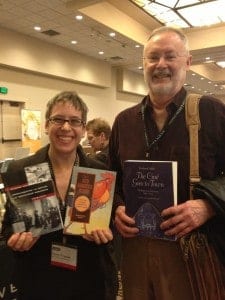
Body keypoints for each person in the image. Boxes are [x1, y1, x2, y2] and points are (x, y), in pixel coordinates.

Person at [109, 26, 225, 300]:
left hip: (191, 251)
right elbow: (111, 178)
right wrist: (116, 208)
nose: (160, 65)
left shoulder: (210, 111)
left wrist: (207, 206)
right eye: (153, 57)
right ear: (144, 64)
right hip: (135, 248)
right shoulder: (124, 122)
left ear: (187, 62)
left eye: (170, 56)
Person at [1, 91, 118, 300]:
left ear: (83, 129)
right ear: (46, 125)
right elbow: (9, 226)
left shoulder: (98, 174)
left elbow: (111, 225)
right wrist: (15, 239)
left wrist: (107, 236)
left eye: (74, 121)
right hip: (38, 279)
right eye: (58, 119)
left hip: (88, 279)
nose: (66, 127)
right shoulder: (20, 171)